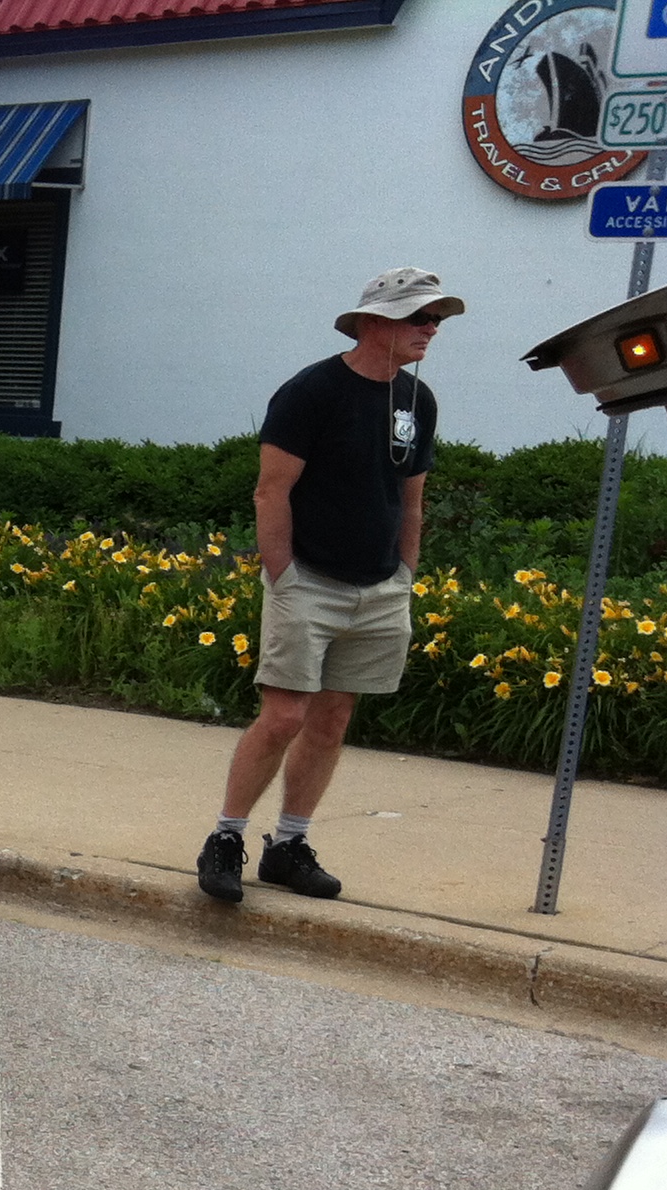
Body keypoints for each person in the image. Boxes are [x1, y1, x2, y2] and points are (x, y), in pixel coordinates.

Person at [196, 268, 460, 905]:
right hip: (308, 582)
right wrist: (283, 577)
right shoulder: (312, 391)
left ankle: (289, 845)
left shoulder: (417, 400)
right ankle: (225, 838)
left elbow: (412, 499)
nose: (431, 328)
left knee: (332, 720)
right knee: (284, 716)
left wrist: (405, 574)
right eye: (419, 316)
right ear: (372, 321)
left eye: (436, 319)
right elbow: (271, 491)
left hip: (381, 588)